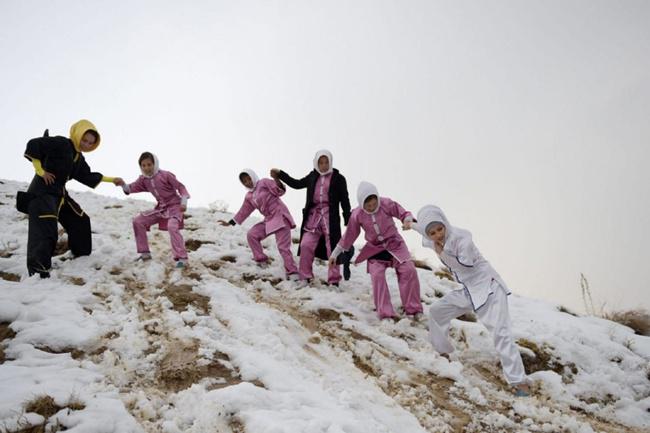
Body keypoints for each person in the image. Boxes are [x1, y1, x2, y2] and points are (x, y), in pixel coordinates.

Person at [405, 205, 530, 396]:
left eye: (440, 229)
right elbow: (420, 227)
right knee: (437, 311)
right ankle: (442, 352)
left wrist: (442, 253)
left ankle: (520, 383)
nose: (438, 234)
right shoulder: (431, 239)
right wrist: (410, 224)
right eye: (432, 232)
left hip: (489, 288)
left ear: (445, 223)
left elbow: (467, 263)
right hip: (469, 290)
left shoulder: (463, 238)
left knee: (500, 333)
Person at [19, 119, 122, 277]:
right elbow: (34, 145)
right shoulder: (61, 143)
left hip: (60, 194)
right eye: (84, 140)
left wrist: (112, 179)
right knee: (46, 230)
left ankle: (80, 256)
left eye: (90, 143)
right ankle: (39, 273)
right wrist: (40, 171)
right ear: (77, 133)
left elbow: (88, 175)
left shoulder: (78, 158)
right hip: (42, 192)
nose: (86, 144)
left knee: (80, 220)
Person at [328, 181, 423, 319]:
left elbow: (402, 212)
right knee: (377, 274)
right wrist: (335, 254)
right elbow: (349, 236)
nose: (372, 207)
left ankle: (414, 310)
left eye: (374, 203)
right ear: (362, 204)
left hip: (394, 244)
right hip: (375, 249)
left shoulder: (386, 203)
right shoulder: (357, 214)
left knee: (408, 270)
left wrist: (408, 220)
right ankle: (386, 314)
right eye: (368, 205)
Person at [271, 150, 352, 286]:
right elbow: (296, 184)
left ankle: (334, 280)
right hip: (313, 217)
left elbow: (345, 199)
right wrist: (280, 174)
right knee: (305, 244)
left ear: (330, 162)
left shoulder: (338, 178)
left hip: (330, 218)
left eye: (326, 162)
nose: (324, 165)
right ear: (316, 163)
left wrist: (347, 218)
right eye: (321, 162)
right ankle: (305, 277)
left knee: (332, 247)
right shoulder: (312, 176)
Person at [219, 169, 299, 280]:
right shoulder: (249, 196)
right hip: (268, 220)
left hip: (280, 216)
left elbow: (279, 191)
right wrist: (230, 223)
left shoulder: (264, 182)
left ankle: (293, 273)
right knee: (252, 234)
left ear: (253, 176)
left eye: (248, 179)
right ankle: (261, 260)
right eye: (245, 181)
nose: (248, 182)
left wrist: (276, 178)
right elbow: (244, 211)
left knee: (283, 247)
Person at [120, 152, 190, 268]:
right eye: (143, 165)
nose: (147, 168)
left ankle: (182, 258)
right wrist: (122, 184)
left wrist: (184, 202)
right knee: (138, 221)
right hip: (161, 209)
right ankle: (145, 253)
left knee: (172, 227)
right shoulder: (143, 179)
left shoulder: (166, 175)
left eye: (149, 164)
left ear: (155, 163)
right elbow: (130, 188)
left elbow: (181, 187)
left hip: (175, 206)